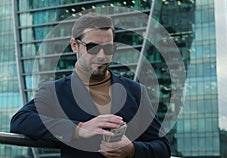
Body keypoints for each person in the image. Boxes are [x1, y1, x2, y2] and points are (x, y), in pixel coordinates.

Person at [10, 13, 171, 158]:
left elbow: (163, 147)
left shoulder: (136, 91)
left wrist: (132, 150)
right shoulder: (55, 91)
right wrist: (79, 129)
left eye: (108, 48)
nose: (102, 56)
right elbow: (20, 121)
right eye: (92, 47)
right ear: (74, 45)